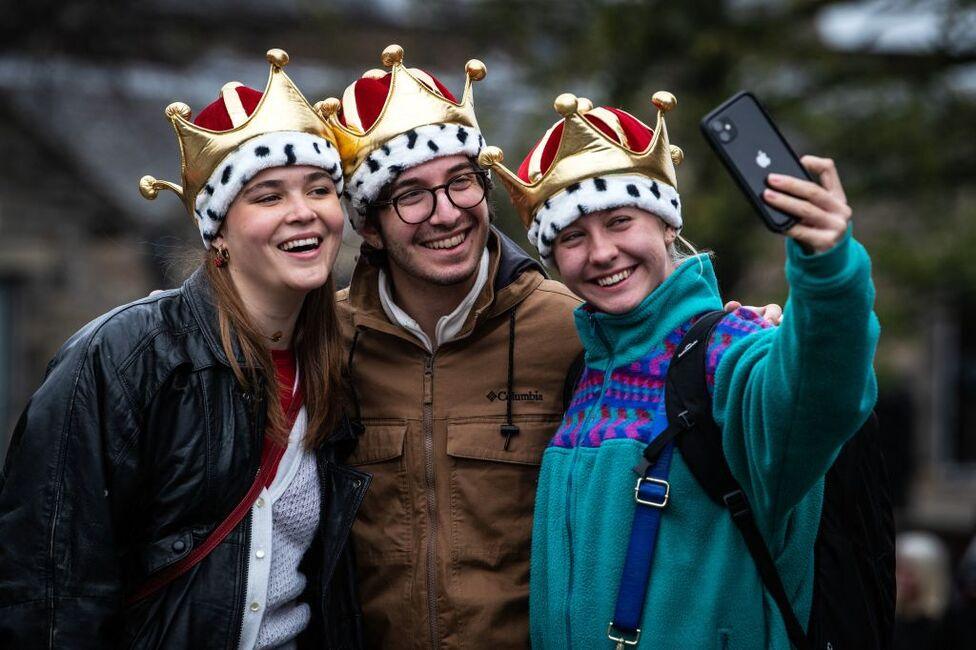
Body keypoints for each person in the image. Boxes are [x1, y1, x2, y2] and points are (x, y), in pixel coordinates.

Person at [317, 45, 782, 648]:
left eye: (462, 182)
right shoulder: (325, 340)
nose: (446, 213)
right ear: (367, 224)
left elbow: (671, 343)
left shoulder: (573, 328)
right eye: (410, 195)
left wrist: (745, 333)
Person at [480, 91, 879, 647]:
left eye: (621, 221)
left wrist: (828, 271)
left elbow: (821, 398)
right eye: (572, 237)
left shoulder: (730, 351)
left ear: (668, 225)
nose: (600, 253)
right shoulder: (585, 375)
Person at [0, 49, 368, 648]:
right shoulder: (120, 357)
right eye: (268, 196)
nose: (304, 214)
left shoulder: (343, 362)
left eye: (320, 189)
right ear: (218, 230)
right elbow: (47, 589)